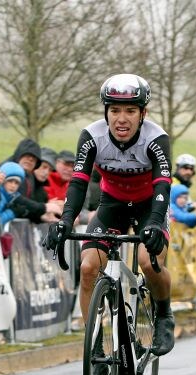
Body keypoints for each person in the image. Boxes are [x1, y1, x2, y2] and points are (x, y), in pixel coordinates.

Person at [43, 73, 175, 357]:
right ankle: (94, 349)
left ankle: (164, 315)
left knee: (148, 263)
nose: (121, 118)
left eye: (130, 110)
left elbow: (163, 184)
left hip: (149, 206)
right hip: (111, 205)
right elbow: (78, 183)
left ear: (143, 114)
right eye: (114, 110)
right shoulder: (92, 137)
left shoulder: (156, 139)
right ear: (106, 112)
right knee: (89, 268)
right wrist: (65, 220)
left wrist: (154, 222)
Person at [0, 161, 25, 226]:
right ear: (3, 182)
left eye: (16, 183)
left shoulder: (13, 197)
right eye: (10, 181)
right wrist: (12, 213)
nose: (13, 185)